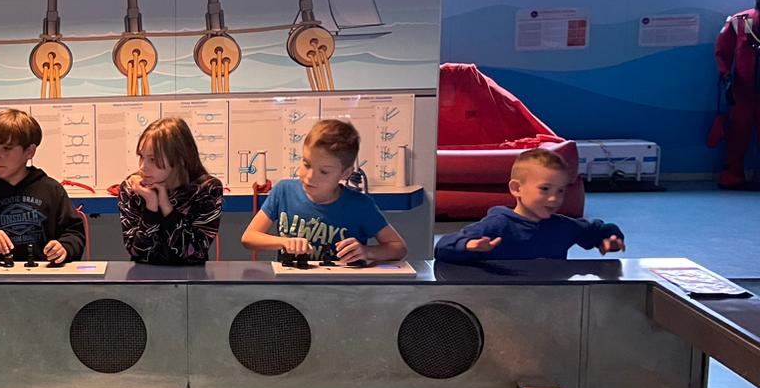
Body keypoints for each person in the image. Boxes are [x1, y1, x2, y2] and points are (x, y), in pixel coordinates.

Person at [241, 118, 407, 263]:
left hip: (343, 286)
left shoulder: (361, 205)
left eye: (324, 172)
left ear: (345, 173)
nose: (310, 177)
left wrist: (367, 251)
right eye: (306, 164)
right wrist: (284, 242)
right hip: (292, 285)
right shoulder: (284, 191)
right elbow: (249, 237)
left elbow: (398, 248)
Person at [0, 108, 85, 266]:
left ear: (29, 151)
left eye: (7, 148)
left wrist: (65, 247)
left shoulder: (51, 190)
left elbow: (74, 233)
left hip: (41, 276)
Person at [434, 148, 624, 263]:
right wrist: (469, 245)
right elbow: (443, 247)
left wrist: (610, 238)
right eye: (545, 189)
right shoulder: (497, 225)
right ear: (517, 189)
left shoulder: (563, 226)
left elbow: (598, 230)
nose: (554, 198)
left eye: (560, 191)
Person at [118, 116, 222, 264]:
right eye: (141, 156)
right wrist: (151, 206)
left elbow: (194, 253)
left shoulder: (207, 189)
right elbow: (138, 252)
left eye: (153, 159)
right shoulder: (133, 188)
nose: (142, 167)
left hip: (191, 275)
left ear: (180, 159)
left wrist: (166, 206)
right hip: (144, 275)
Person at [715, 0, 760, 188]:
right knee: (737, 134)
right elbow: (722, 52)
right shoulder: (738, 21)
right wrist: (726, 78)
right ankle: (732, 176)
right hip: (743, 92)